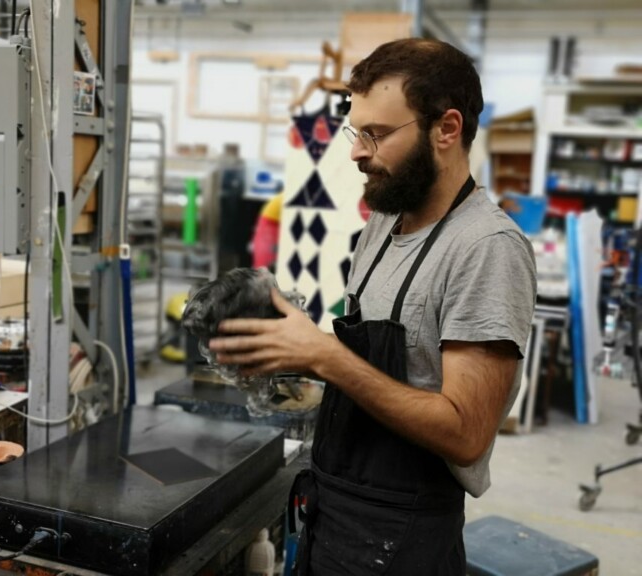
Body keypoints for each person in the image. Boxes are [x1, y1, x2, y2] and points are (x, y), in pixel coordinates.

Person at [209, 37, 537, 575]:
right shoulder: (383, 224)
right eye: (355, 132)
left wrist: (326, 357)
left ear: (446, 129)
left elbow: (466, 434)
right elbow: (383, 363)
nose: (357, 151)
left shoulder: (486, 249)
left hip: (403, 537)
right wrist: (286, 346)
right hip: (334, 509)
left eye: (376, 134)